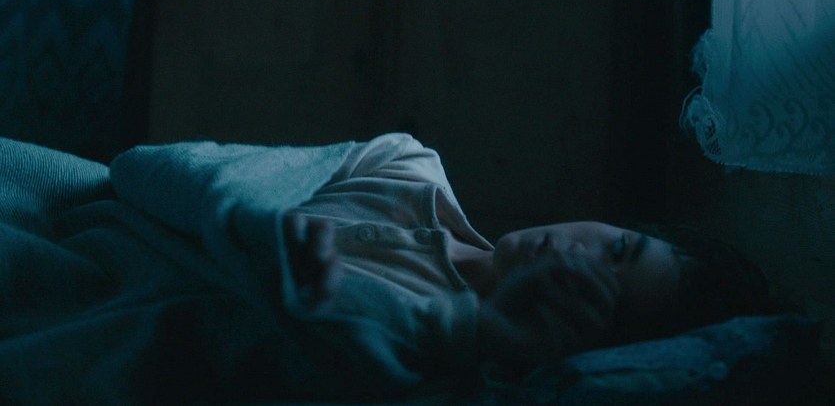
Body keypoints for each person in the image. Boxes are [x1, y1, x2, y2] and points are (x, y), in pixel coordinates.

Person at [279, 133, 775, 385]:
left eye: (597, 292)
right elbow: (231, 176)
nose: (573, 258)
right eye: (617, 248)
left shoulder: (432, 368)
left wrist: (480, 333)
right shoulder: (406, 167)